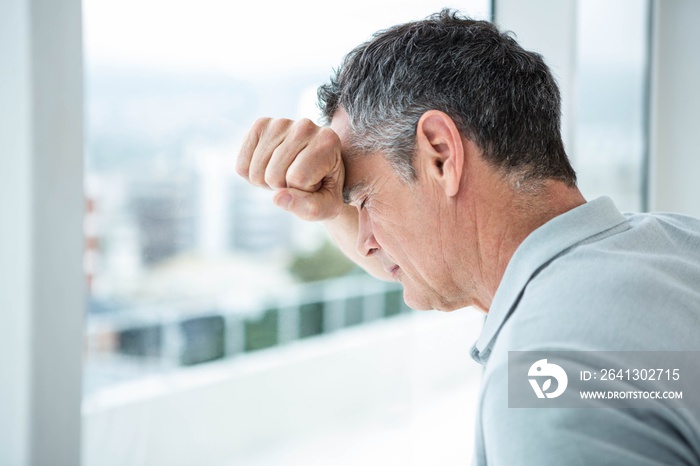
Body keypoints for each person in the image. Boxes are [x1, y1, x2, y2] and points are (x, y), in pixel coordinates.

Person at [236, 9, 700, 465]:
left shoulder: (548, 372)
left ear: (441, 155)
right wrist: (337, 205)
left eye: (364, 202)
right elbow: (409, 256)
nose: (365, 242)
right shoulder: (675, 245)